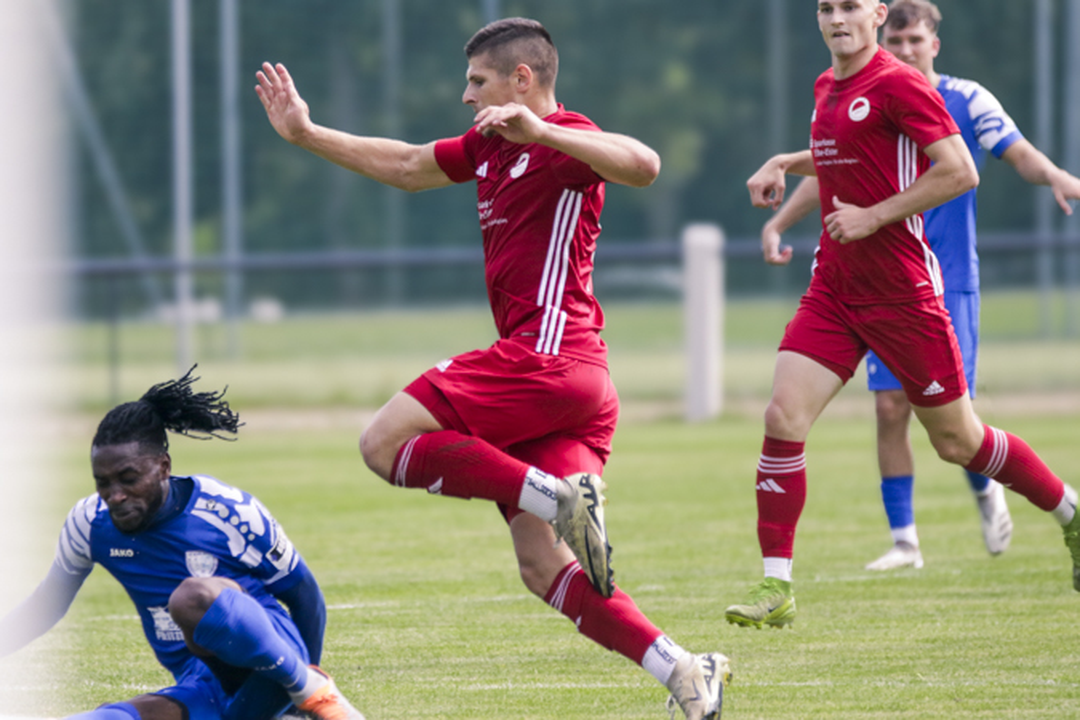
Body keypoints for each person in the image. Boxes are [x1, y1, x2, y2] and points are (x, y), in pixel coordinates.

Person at [255, 17, 729, 720]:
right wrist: (306, 132)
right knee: (543, 568)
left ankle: (557, 496)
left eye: (477, 81)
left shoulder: (565, 137)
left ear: (522, 80)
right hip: (568, 381)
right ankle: (685, 670)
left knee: (381, 444)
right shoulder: (488, 144)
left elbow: (643, 163)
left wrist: (546, 133)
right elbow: (410, 166)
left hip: (548, 358)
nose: (467, 96)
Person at [725, 0, 1080, 630]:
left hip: (903, 294)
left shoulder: (899, 83)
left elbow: (961, 171)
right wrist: (784, 161)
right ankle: (776, 587)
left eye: (849, 7)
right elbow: (839, 153)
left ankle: (1069, 513)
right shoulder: (827, 84)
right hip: (835, 288)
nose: (836, 18)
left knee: (958, 442)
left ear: (875, 14)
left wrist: (875, 214)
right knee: (783, 415)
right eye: (825, 8)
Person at [0, 369, 364, 720]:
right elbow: (46, 605)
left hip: (271, 671)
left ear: (163, 467)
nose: (115, 495)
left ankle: (312, 691)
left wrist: (303, 687)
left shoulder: (228, 511)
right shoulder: (88, 524)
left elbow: (304, 595)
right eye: (102, 482)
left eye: (128, 479)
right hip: (201, 687)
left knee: (190, 598)